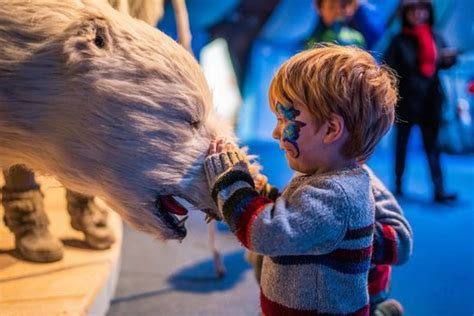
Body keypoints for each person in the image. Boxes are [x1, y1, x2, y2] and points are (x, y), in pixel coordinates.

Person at [204, 44, 398, 315]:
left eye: (284, 120)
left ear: (331, 129)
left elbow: (268, 234)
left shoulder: (336, 194)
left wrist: (230, 184)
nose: (275, 133)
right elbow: (296, 217)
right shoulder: (326, 180)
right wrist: (264, 191)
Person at [247, 164, 414, 316]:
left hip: (362, 291)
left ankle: (380, 311)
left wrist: (350, 230)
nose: (278, 136)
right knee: (265, 250)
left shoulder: (363, 184)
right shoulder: (308, 175)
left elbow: (401, 243)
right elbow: (288, 219)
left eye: (290, 130)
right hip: (316, 287)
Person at [384, 0, 458, 203]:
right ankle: (398, 186)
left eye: (422, 10)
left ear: (428, 12)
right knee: (401, 146)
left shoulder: (435, 36)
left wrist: (449, 59)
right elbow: (388, 70)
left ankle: (439, 190)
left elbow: (441, 63)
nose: (418, 14)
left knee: (433, 147)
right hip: (406, 101)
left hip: (430, 101)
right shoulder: (398, 40)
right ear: (405, 14)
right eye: (414, 10)